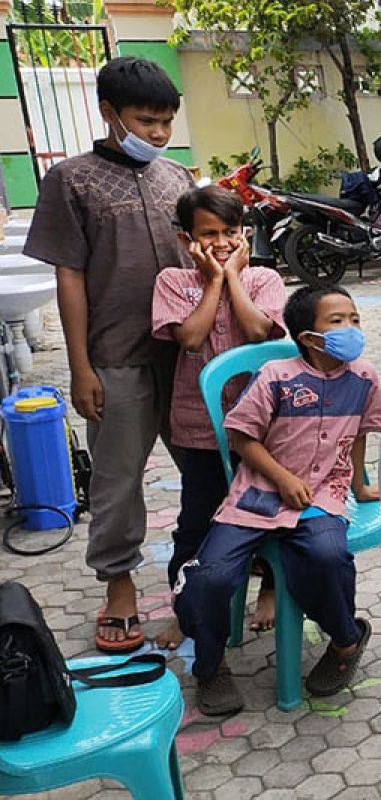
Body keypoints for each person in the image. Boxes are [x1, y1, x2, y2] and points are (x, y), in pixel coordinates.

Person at [22, 56, 194, 654]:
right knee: (118, 482)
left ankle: (216, 571)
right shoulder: (72, 180)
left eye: (167, 122)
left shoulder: (178, 179)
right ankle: (119, 585)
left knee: (207, 470)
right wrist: (80, 367)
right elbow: (69, 276)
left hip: (185, 355)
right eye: (146, 120)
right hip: (115, 358)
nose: (158, 134)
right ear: (109, 113)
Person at [175, 285, 381, 715]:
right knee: (209, 578)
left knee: (327, 557)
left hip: (321, 495)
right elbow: (241, 436)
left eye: (355, 318)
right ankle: (210, 667)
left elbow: (360, 432)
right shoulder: (276, 376)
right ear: (308, 338)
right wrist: (283, 478)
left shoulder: (364, 378)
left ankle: (346, 639)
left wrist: (359, 487)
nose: (351, 329)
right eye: (338, 321)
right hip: (258, 495)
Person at [151, 185, 287, 648]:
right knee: (196, 522)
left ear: (245, 234)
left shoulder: (264, 280)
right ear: (185, 238)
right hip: (200, 430)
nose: (222, 242)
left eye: (230, 231)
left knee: (266, 513)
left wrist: (233, 278)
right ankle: (185, 610)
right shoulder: (172, 281)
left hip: (263, 432)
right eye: (209, 233)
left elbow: (255, 331)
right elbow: (189, 339)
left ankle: (268, 588)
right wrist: (212, 282)